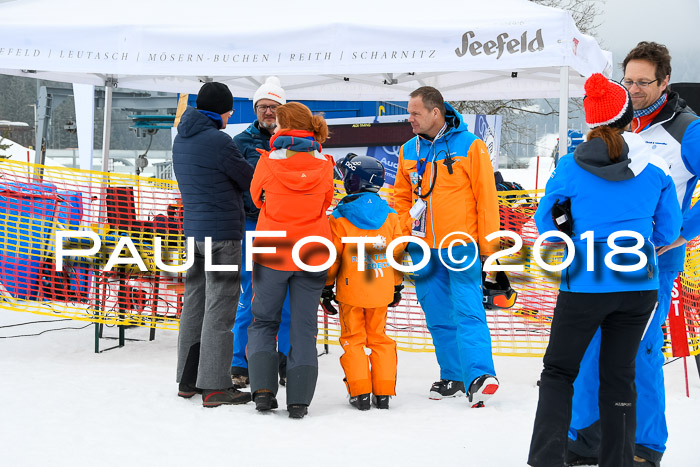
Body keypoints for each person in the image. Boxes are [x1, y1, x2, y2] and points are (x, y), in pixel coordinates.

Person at [527, 73, 682, 467]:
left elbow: (546, 225)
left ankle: (547, 459)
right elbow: (668, 230)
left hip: (585, 280)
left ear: (592, 122)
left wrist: (569, 232)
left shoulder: (569, 166)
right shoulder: (657, 167)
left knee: (560, 372)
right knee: (620, 376)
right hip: (637, 284)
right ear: (631, 118)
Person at [567, 42, 700, 467]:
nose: (636, 89)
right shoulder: (615, 123)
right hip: (597, 262)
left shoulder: (687, 130)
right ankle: (586, 438)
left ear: (665, 82)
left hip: (654, 264)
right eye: (629, 80)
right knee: (589, 347)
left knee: (638, 352)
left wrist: (684, 233)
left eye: (644, 82)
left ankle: (645, 446)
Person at [394, 86, 501, 407]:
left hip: (461, 246)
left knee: (468, 311)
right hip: (422, 250)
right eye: (409, 112)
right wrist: (402, 240)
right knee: (437, 316)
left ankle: (481, 375)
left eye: (415, 113)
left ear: (435, 112)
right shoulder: (408, 150)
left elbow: (487, 199)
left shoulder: (471, 146)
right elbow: (401, 198)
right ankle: (453, 376)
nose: (409, 118)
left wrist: (491, 252)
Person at [246, 102, 335, 419]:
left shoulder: (268, 163)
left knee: (263, 322)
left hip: (274, 247)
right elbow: (327, 201)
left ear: (283, 127)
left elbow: (256, 198)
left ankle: (263, 392)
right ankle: (299, 401)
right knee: (304, 326)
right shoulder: (325, 163)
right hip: (313, 250)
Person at [173, 82, 254, 407]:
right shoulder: (220, 141)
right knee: (220, 309)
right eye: (229, 110)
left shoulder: (182, 139)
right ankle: (216, 386)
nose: (230, 115)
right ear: (220, 110)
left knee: (193, 305)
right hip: (222, 237)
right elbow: (247, 178)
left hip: (194, 233)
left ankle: (188, 379)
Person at [322, 154, 404, 411]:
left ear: (353, 181)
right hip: (381, 288)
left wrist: (326, 287)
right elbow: (398, 252)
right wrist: (396, 284)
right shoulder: (391, 216)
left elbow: (333, 257)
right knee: (379, 339)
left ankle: (360, 393)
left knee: (353, 339)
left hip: (351, 291)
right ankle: (383, 393)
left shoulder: (339, 217)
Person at [231, 76, 292, 389]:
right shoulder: (241, 142)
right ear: (255, 109)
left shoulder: (296, 141)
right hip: (253, 225)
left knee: (288, 296)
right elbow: (232, 184)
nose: (269, 112)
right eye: (263, 106)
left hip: (286, 227)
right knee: (250, 293)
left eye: (274, 107)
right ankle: (239, 362)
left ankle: (285, 362)